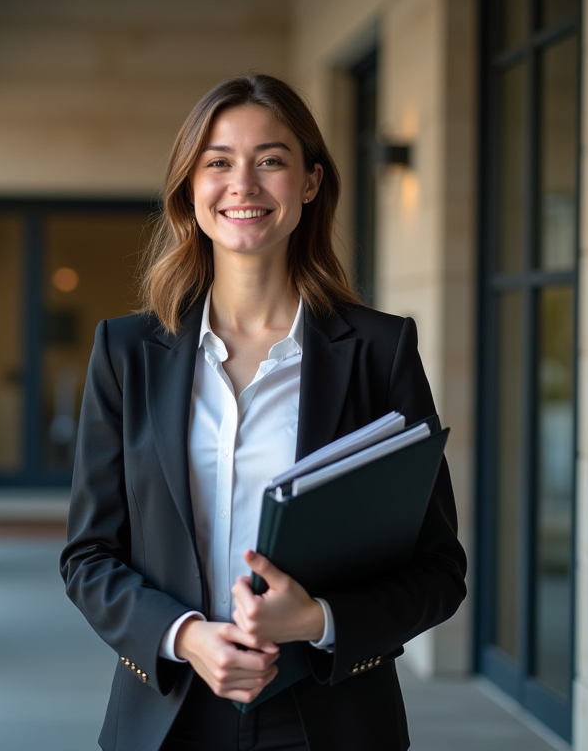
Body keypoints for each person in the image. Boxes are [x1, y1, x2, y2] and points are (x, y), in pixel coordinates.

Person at [60, 74, 467, 751]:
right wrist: (186, 636)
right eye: (218, 162)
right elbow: (88, 555)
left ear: (310, 182)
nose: (242, 185)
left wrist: (317, 620)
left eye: (270, 160)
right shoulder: (126, 353)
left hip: (331, 720)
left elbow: (439, 570)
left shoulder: (380, 351)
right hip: (168, 715)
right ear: (190, 188)